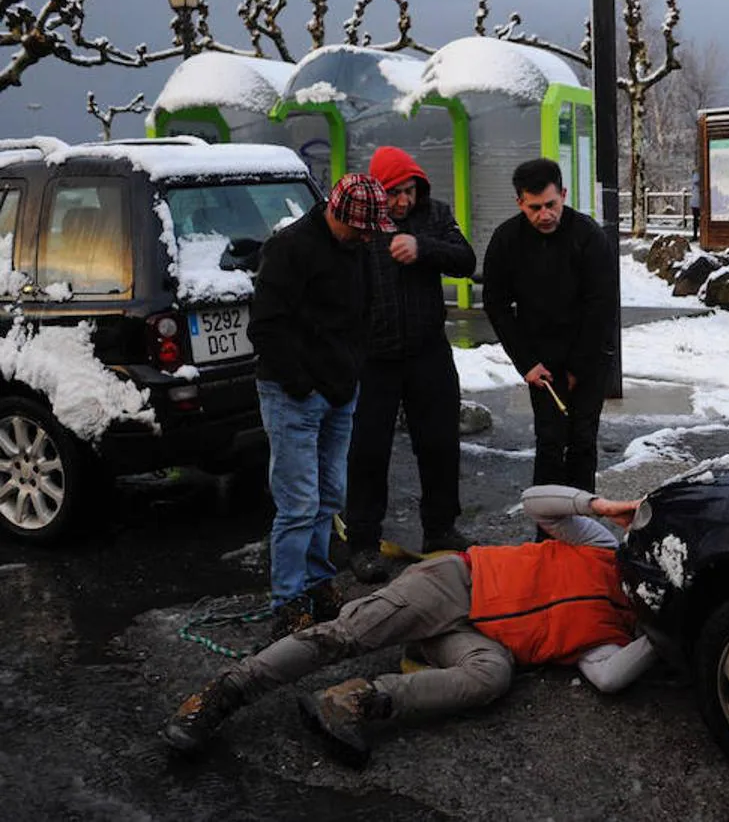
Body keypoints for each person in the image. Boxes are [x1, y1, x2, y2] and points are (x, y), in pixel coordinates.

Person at [160, 485, 657, 769]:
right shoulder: (600, 546)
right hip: (455, 582)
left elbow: (609, 677)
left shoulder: (619, 635)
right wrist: (598, 507)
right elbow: (535, 502)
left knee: (493, 677)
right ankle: (221, 695)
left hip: (479, 642)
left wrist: (664, 633)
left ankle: (352, 702)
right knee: (344, 633)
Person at [248, 173, 394, 640]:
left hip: (340, 389)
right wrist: (300, 383)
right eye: (362, 228)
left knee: (330, 497)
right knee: (297, 503)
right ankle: (287, 602)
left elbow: (367, 310)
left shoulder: (359, 248)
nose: (369, 237)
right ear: (337, 213)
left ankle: (317, 582)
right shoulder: (290, 249)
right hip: (294, 394)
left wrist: (353, 367)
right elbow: (266, 327)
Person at [345, 146, 478, 585]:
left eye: (409, 191)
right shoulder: (363, 224)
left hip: (427, 351)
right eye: (394, 192)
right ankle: (363, 542)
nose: (403, 201)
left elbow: (465, 261)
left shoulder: (434, 215)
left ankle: (441, 528)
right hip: (374, 356)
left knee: (439, 443)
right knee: (368, 451)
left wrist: (424, 248)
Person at [482, 158, 618, 506]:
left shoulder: (588, 236)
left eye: (551, 205)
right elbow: (496, 304)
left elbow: (600, 306)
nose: (545, 215)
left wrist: (577, 368)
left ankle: (584, 530)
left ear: (564, 195)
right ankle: (548, 533)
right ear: (520, 203)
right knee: (550, 441)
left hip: (588, 353)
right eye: (535, 207)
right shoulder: (507, 239)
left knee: (583, 440)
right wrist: (525, 362)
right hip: (540, 358)